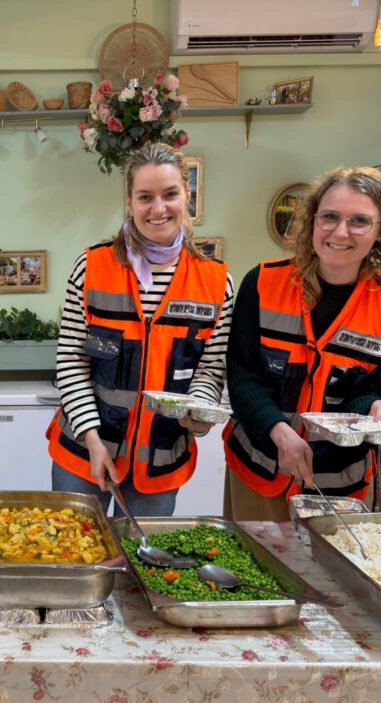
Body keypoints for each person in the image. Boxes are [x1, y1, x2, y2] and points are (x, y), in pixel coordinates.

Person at [47, 143, 235, 517]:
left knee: (141, 564)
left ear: (187, 196)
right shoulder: (91, 268)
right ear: (130, 202)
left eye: (170, 194)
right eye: (145, 197)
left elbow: (210, 371)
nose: (158, 208)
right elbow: (71, 362)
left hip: (161, 457)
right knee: (73, 554)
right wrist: (92, 440)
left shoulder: (217, 282)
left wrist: (198, 414)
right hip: (84, 451)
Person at [223, 166, 381, 521]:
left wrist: (376, 405)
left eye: (359, 221)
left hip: (339, 482)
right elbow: (243, 376)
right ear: (312, 220)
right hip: (259, 464)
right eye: (329, 217)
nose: (340, 232)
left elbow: (380, 390)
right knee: (255, 572)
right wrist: (279, 432)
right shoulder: (263, 282)